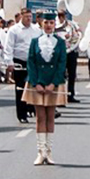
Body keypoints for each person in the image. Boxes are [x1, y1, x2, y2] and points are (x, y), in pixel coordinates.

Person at [24, 15, 68, 165]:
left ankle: (49, 152)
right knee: (40, 117)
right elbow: (31, 62)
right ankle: (40, 152)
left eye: (51, 23)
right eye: (46, 23)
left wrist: (53, 84)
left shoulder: (60, 43)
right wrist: (36, 83)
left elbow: (62, 64)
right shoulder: (35, 41)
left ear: (55, 24)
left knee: (50, 116)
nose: (49, 25)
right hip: (38, 82)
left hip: (53, 83)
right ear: (41, 24)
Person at [8, 9, 40, 123]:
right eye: (26, 16)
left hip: (33, 62)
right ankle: (22, 115)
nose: (29, 19)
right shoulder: (14, 30)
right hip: (19, 61)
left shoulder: (36, 30)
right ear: (21, 16)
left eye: (30, 17)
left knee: (34, 87)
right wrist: (9, 62)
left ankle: (33, 109)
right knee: (20, 88)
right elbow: (9, 47)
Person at [56, 11, 82, 103]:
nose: (61, 18)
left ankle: (71, 95)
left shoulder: (71, 25)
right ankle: (61, 96)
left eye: (63, 16)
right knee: (61, 75)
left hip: (71, 52)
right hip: (60, 52)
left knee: (72, 74)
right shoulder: (55, 24)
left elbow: (77, 35)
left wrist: (74, 36)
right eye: (59, 16)